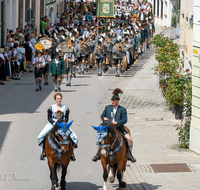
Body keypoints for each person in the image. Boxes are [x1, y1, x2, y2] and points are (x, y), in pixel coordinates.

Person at [92, 88, 136, 163]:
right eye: (112, 100)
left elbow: (125, 120)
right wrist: (104, 118)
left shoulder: (122, 109)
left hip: (119, 128)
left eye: (114, 101)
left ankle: (129, 155)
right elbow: (102, 115)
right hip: (108, 128)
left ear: (117, 101)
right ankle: (98, 154)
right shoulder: (107, 108)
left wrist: (117, 122)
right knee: (98, 138)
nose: (112, 102)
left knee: (129, 139)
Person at [38, 92, 78, 161]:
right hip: (53, 124)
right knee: (41, 136)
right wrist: (53, 122)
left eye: (60, 98)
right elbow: (49, 117)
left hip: (62, 124)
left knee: (74, 137)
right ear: (55, 99)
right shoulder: (51, 108)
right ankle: (43, 152)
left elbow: (67, 118)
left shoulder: (65, 108)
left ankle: (71, 153)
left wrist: (64, 123)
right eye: (57, 99)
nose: (59, 100)